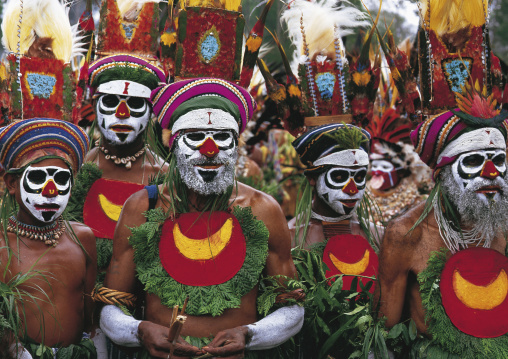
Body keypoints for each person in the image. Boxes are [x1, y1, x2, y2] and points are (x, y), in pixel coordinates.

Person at [95, 78, 304, 358]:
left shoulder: (262, 209)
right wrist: (140, 330)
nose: (209, 150)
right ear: (174, 146)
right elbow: (111, 305)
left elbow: (291, 307)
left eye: (221, 138)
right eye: (195, 138)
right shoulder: (143, 207)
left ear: (236, 146)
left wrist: (250, 334)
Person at [377, 83, 508, 357]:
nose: (491, 172)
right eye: (473, 161)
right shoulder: (407, 234)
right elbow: (385, 334)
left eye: (498, 160)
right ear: (443, 173)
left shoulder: (503, 225)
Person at [0, 119, 97, 358]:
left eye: (61, 180)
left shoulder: (82, 237)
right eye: (38, 178)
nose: (50, 190)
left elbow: (90, 311)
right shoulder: (2, 244)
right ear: (12, 184)